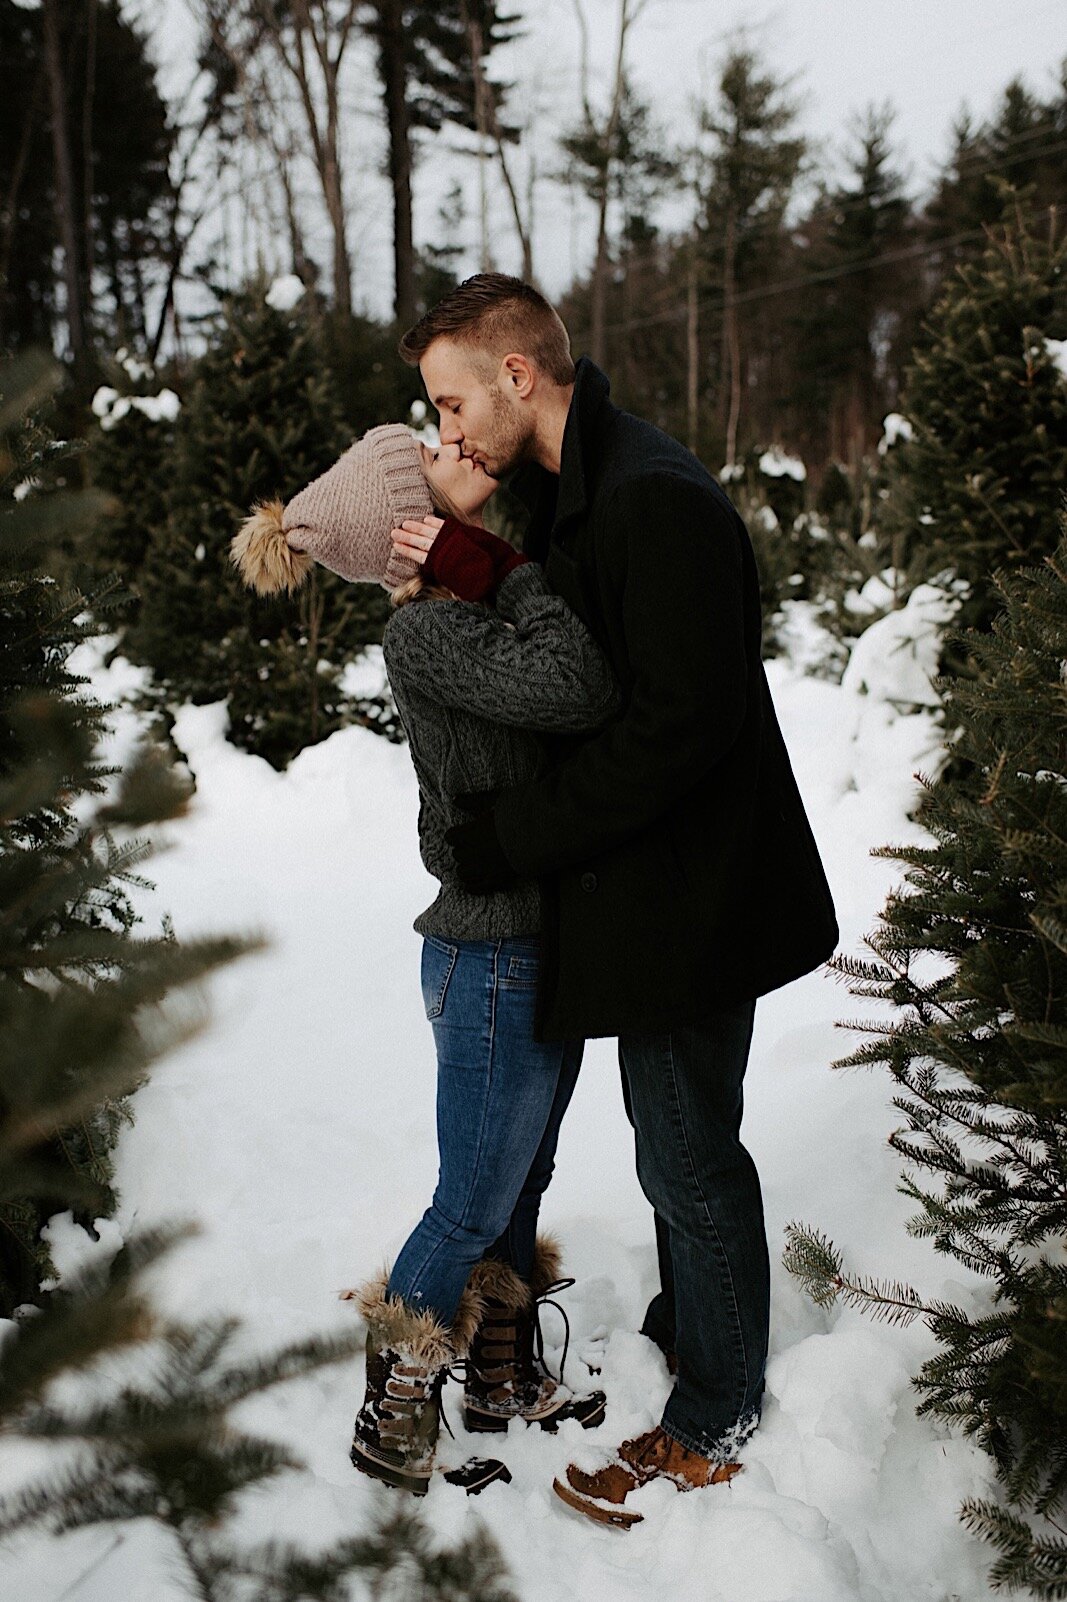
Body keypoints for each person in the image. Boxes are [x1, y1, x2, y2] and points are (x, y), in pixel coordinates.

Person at [395, 274, 840, 1529]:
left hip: (698, 898)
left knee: (689, 1151)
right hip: (639, 894)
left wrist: (506, 839)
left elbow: (675, 732)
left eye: (450, 400)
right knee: (669, 1147)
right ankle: (692, 1333)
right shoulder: (570, 493)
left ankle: (713, 1413)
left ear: (517, 376)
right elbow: (555, 629)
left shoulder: (656, 500)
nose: (447, 432)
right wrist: (452, 545)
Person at [230, 423, 614, 1498]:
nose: (462, 444)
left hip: (534, 945)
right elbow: (574, 687)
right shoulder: (428, 634)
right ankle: (393, 1406)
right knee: (467, 1200)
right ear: (412, 526)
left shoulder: (470, 604)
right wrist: (513, 572)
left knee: (517, 1186)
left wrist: (494, 573)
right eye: (436, 454)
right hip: (490, 961)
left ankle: (495, 1371)